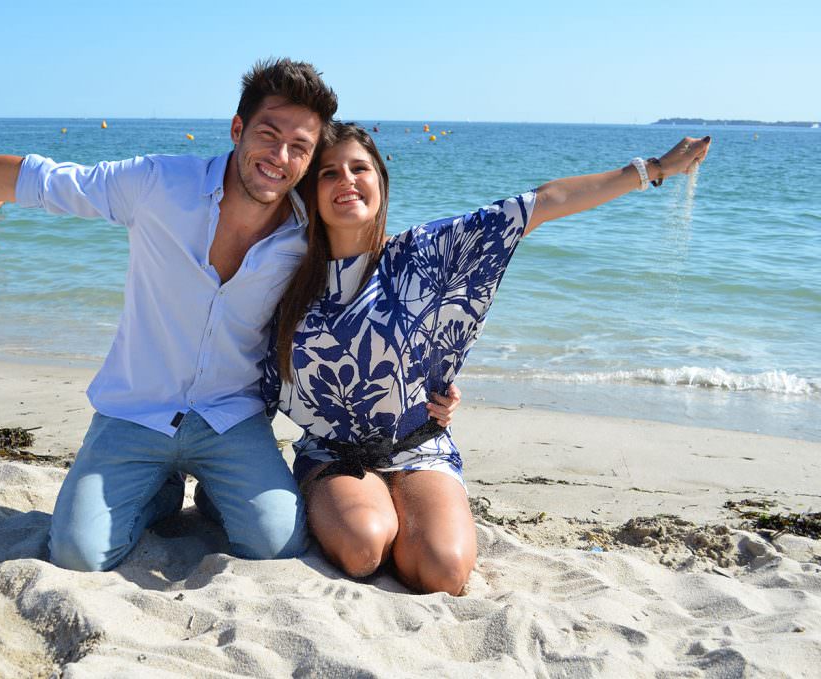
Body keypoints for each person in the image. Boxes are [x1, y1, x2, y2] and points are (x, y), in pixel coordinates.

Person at [0, 59, 364, 572]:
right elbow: (36, 180)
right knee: (77, 555)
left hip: (231, 418)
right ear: (237, 128)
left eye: (300, 147)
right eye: (269, 135)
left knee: (275, 544)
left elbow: (371, 293)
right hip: (135, 411)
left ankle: (214, 492)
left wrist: (431, 385)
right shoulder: (158, 184)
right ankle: (158, 494)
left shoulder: (307, 232)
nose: (280, 156)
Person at [263, 123, 711, 595]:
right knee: (362, 548)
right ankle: (370, 513)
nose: (347, 180)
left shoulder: (427, 254)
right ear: (309, 191)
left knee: (445, 572)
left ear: (381, 181)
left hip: (419, 446)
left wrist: (655, 169)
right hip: (337, 454)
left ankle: (406, 515)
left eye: (360, 167)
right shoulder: (285, 277)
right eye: (329, 173)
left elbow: (539, 204)